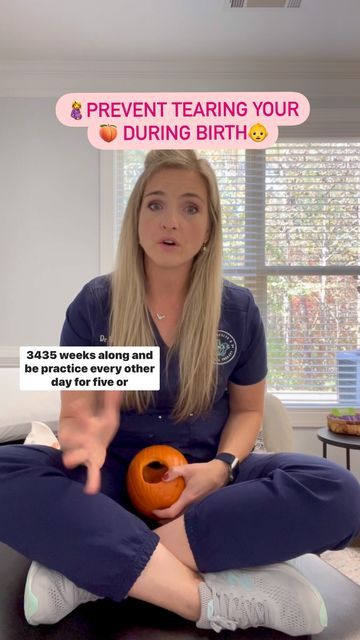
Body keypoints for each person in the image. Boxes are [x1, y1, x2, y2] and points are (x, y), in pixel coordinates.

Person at [0, 150, 360, 636]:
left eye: (191, 207)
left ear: (210, 226)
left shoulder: (237, 308)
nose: (171, 220)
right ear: (136, 218)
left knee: (337, 491)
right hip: (110, 483)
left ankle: (89, 568)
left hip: (209, 481)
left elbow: (248, 409)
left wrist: (220, 469)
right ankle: (214, 596)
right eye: (155, 204)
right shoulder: (95, 303)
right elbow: (76, 414)